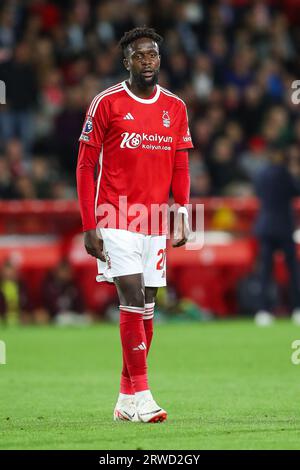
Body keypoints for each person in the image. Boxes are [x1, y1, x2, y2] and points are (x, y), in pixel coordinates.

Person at [76, 27, 193, 423]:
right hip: (114, 214)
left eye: (153, 55)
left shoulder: (175, 107)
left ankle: (126, 397)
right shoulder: (106, 103)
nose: (147, 61)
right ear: (126, 61)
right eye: (140, 56)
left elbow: (180, 161)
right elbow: (85, 165)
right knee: (131, 294)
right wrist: (89, 224)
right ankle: (144, 395)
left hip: (155, 218)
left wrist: (183, 212)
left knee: (148, 305)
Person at [254, 147, 300, 326]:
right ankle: (296, 308)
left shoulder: (261, 174)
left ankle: (263, 311)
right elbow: (296, 190)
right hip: (283, 227)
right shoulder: (285, 173)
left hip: (265, 227)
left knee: (265, 272)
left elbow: (258, 193)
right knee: (292, 269)